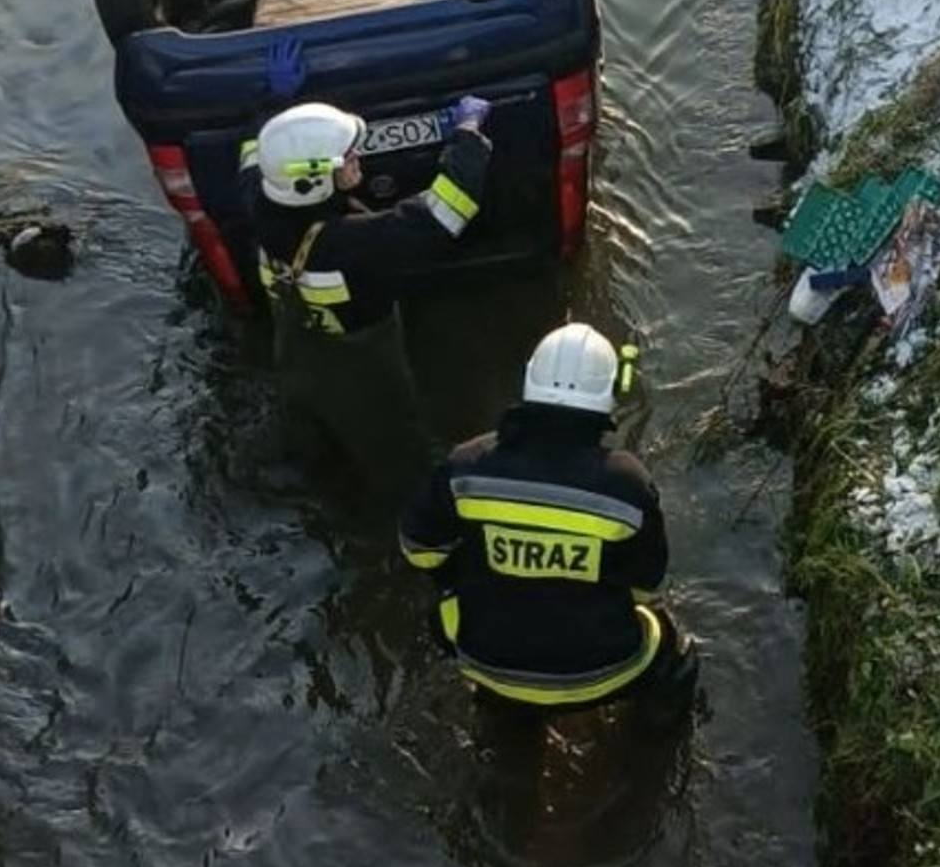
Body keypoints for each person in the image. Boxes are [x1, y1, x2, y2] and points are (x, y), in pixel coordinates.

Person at [397, 322, 699, 730]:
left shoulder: (465, 467)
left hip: (488, 666)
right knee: (676, 651)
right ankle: (650, 752)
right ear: (611, 393)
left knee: (454, 622)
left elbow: (418, 549)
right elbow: (646, 585)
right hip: (604, 675)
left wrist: (469, 575)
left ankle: (507, 734)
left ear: (528, 380)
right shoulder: (626, 483)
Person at [242, 96, 492, 473]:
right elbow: (445, 213)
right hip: (362, 375)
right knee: (398, 449)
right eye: (346, 156)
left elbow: (252, 155)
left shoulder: (257, 200)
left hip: (299, 363)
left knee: (310, 440)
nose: (357, 155)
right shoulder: (351, 245)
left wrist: (276, 112)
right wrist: (468, 136)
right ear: (313, 179)